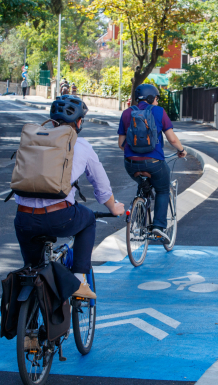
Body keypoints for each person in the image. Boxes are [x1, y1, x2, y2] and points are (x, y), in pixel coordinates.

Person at [15, 97, 125, 298]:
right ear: (79, 122)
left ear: (52, 120)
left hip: (24, 218)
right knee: (88, 220)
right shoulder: (81, 145)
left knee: (32, 269)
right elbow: (101, 186)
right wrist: (113, 207)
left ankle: (28, 318)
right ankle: (79, 279)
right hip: (60, 217)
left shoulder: (34, 140)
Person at [117, 84, 187, 241]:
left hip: (130, 164)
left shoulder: (127, 113)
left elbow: (121, 143)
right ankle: (158, 226)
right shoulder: (159, 112)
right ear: (150, 98)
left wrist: (134, 154)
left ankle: (139, 220)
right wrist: (181, 150)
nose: (157, 101)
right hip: (154, 163)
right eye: (156, 98)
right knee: (162, 189)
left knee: (142, 183)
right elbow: (172, 139)